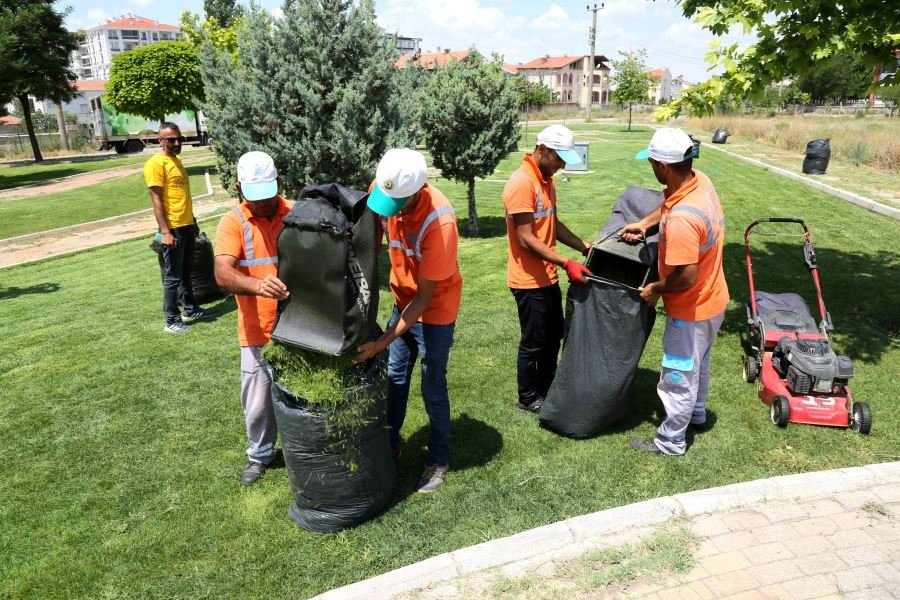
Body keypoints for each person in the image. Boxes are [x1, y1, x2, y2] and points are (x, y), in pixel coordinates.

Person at [356, 148, 462, 494]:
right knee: (396, 377)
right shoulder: (386, 186)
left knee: (432, 384)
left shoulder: (440, 222)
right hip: (403, 300)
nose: (391, 207)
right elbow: (372, 234)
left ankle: (438, 460)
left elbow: (425, 299)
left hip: (434, 311)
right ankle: (389, 445)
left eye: (397, 202)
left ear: (417, 191)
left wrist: (382, 341)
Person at [620, 128, 729, 457]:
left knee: (678, 374)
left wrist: (656, 288)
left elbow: (685, 276)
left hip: (691, 309)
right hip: (714, 299)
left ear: (664, 166)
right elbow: (669, 204)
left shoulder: (683, 219)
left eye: (652, 162)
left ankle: (670, 440)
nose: (651, 166)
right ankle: (696, 414)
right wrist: (645, 224)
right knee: (699, 362)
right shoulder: (699, 182)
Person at [214, 151, 292, 486]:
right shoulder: (233, 222)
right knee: (258, 403)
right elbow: (222, 273)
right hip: (257, 330)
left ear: (279, 183)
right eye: (255, 196)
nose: (263, 203)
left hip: (298, 328)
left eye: (268, 194)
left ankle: (303, 447)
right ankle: (260, 454)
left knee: (301, 394)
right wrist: (258, 285)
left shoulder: (296, 213)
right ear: (239, 188)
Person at [502, 124, 592, 414]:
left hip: (547, 276)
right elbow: (525, 238)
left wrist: (583, 247)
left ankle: (548, 386)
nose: (562, 165)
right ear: (542, 149)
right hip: (527, 280)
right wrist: (565, 262)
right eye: (559, 158)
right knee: (534, 341)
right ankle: (528, 396)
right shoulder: (522, 183)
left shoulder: (546, 180)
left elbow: (553, 224)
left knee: (553, 336)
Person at [145, 122, 212, 334]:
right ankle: (172, 320)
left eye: (179, 139)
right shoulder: (156, 164)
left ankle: (190, 309)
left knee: (186, 272)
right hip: (172, 227)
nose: (176, 143)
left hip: (186, 224)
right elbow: (156, 200)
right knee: (173, 276)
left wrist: (193, 221)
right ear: (160, 140)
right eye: (171, 139)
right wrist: (165, 231)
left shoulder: (177, 160)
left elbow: (181, 196)